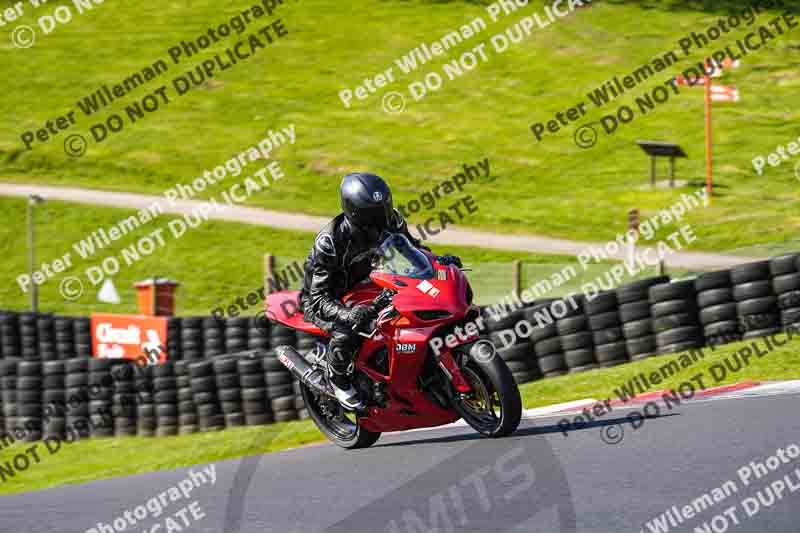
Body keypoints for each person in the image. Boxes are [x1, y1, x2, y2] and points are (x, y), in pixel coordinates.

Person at [299, 172, 461, 409]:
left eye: (384, 208)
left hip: (369, 283)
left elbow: (413, 251)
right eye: (373, 213)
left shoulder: (391, 220)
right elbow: (318, 297)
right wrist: (346, 314)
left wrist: (437, 263)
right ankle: (339, 378)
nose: (381, 218)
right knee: (348, 332)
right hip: (326, 297)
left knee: (409, 307)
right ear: (355, 211)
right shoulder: (331, 241)